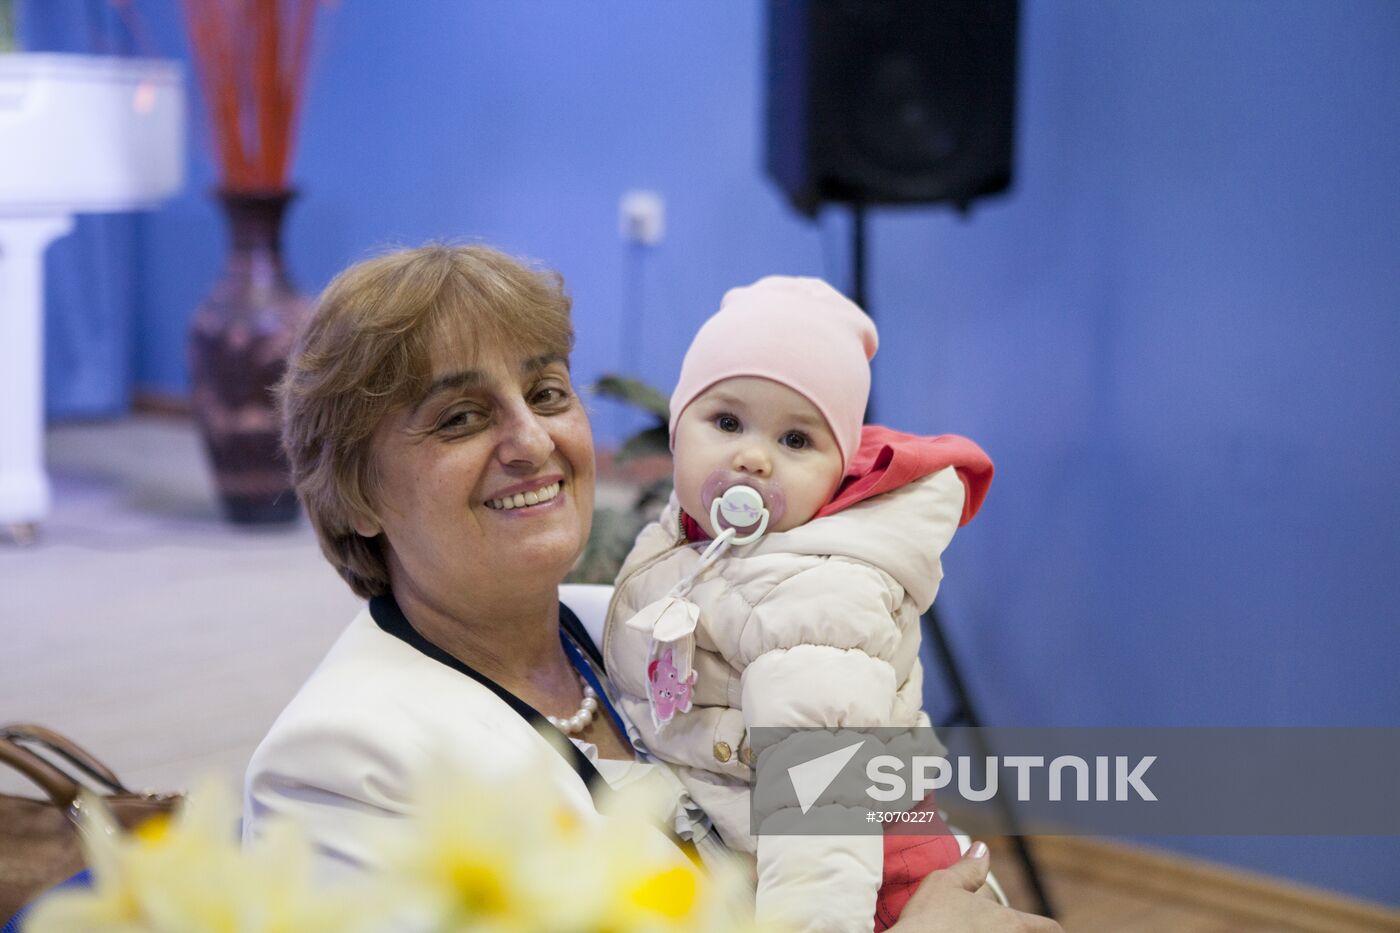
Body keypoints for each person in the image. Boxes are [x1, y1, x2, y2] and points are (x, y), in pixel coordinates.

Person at [244, 244, 1061, 932]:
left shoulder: (646, 624)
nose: (531, 441)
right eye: (460, 416)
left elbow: (889, 827)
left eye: (547, 394)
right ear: (353, 492)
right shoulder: (339, 764)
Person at [603, 276, 996, 932]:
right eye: (726, 421)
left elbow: (822, 815)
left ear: (837, 470)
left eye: (795, 440)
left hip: (857, 885)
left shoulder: (815, 592)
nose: (753, 457)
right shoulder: (692, 532)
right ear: (678, 430)